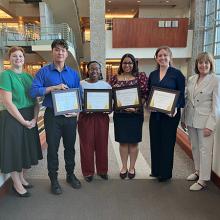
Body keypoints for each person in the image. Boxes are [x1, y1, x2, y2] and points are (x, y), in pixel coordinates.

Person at [30, 39, 81, 195]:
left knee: (70, 148)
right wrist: (53, 88)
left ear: (67, 53)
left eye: (63, 50)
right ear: (52, 52)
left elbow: (79, 95)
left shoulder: (73, 73)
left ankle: (70, 175)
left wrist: (77, 111)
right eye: (57, 49)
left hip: (70, 117)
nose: (60, 53)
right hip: (52, 116)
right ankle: (53, 179)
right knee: (52, 149)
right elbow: (33, 91)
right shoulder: (44, 72)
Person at [0, 46, 43, 197]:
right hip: (12, 117)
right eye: (14, 56)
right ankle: (17, 185)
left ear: (24, 59)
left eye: (20, 56)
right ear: (9, 59)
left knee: (24, 149)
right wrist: (24, 121)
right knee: (14, 150)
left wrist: (34, 118)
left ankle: (22, 178)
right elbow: (7, 102)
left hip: (29, 115)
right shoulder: (5, 75)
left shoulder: (29, 77)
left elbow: (36, 101)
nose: (18, 59)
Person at [181, 52, 219, 191]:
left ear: (211, 65)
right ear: (197, 64)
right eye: (200, 63)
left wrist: (210, 125)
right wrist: (183, 118)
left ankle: (203, 179)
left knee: (205, 150)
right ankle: (198, 171)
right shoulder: (192, 78)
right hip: (191, 118)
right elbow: (187, 100)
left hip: (205, 122)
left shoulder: (216, 80)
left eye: (206, 63)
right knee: (195, 147)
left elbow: (216, 106)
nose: (203, 65)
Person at [148, 46, 185, 182]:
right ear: (156, 58)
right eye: (159, 56)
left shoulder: (177, 74)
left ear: (170, 57)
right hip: (156, 115)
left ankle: (165, 173)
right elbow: (149, 93)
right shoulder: (152, 74)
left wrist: (176, 106)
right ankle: (156, 170)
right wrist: (149, 104)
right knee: (155, 141)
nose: (162, 58)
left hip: (171, 115)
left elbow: (181, 95)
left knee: (167, 143)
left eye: (165, 55)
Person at [110, 53, 148, 179]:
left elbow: (145, 95)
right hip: (120, 115)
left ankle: (132, 167)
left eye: (130, 63)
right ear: (121, 64)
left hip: (135, 115)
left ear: (134, 64)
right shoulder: (114, 78)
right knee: (122, 142)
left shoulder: (140, 77)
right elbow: (110, 96)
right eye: (125, 62)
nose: (127, 65)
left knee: (133, 143)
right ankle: (124, 167)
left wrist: (136, 107)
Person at [78, 61, 111, 182]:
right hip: (86, 117)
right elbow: (77, 101)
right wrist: (83, 109)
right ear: (88, 70)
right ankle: (88, 172)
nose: (94, 71)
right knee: (86, 145)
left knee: (102, 144)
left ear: (100, 71)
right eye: (92, 69)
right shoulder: (81, 84)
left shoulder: (106, 85)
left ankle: (102, 170)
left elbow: (110, 103)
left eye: (97, 69)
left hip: (101, 117)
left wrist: (109, 110)